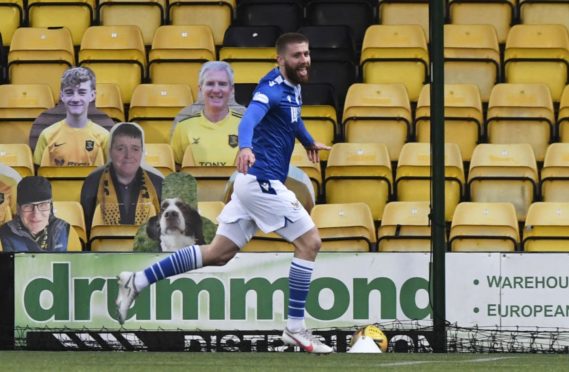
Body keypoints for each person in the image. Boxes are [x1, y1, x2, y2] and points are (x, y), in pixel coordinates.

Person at [115, 33, 333, 353]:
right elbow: (250, 121)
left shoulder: (293, 87)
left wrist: (308, 140)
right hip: (262, 182)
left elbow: (293, 118)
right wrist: (245, 146)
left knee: (217, 253)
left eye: (307, 53)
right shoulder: (269, 90)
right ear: (280, 60)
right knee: (310, 243)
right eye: (298, 56)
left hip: (249, 186)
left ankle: (137, 280)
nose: (305, 60)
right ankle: (295, 327)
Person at [81, 122, 163, 235]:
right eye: (120, 149)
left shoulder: (158, 184)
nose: (128, 155)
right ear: (110, 152)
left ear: (142, 152)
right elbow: (87, 233)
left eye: (135, 149)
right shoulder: (93, 182)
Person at [33, 67, 110, 167]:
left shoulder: (104, 137)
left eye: (82, 92)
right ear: (62, 96)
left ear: (92, 95)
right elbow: (40, 176)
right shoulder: (47, 135)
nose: (75, 99)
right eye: (69, 92)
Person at [170, 61, 243, 166]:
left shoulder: (245, 125)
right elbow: (176, 170)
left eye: (222, 84)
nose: (216, 90)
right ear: (200, 89)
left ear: (231, 89)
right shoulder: (183, 127)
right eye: (210, 83)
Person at [0, 176, 77, 252]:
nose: (36, 214)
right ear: (18, 209)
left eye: (43, 205)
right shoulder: (3, 234)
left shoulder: (66, 230)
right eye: (28, 206)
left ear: (51, 207)